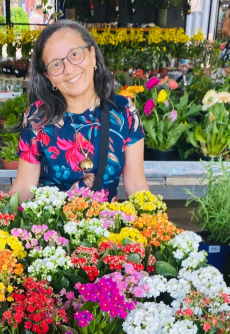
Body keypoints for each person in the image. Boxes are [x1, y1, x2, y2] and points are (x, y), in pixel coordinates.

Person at [9, 20, 148, 204]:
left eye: (75, 54)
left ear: (92, 55)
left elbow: (136, 184)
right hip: (49, 229)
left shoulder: (123, 111)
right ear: (48, 76)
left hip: (106, 229)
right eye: (56, 64)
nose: (69, 69)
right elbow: (25, 186)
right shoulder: (37, 118)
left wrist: (157, 224)